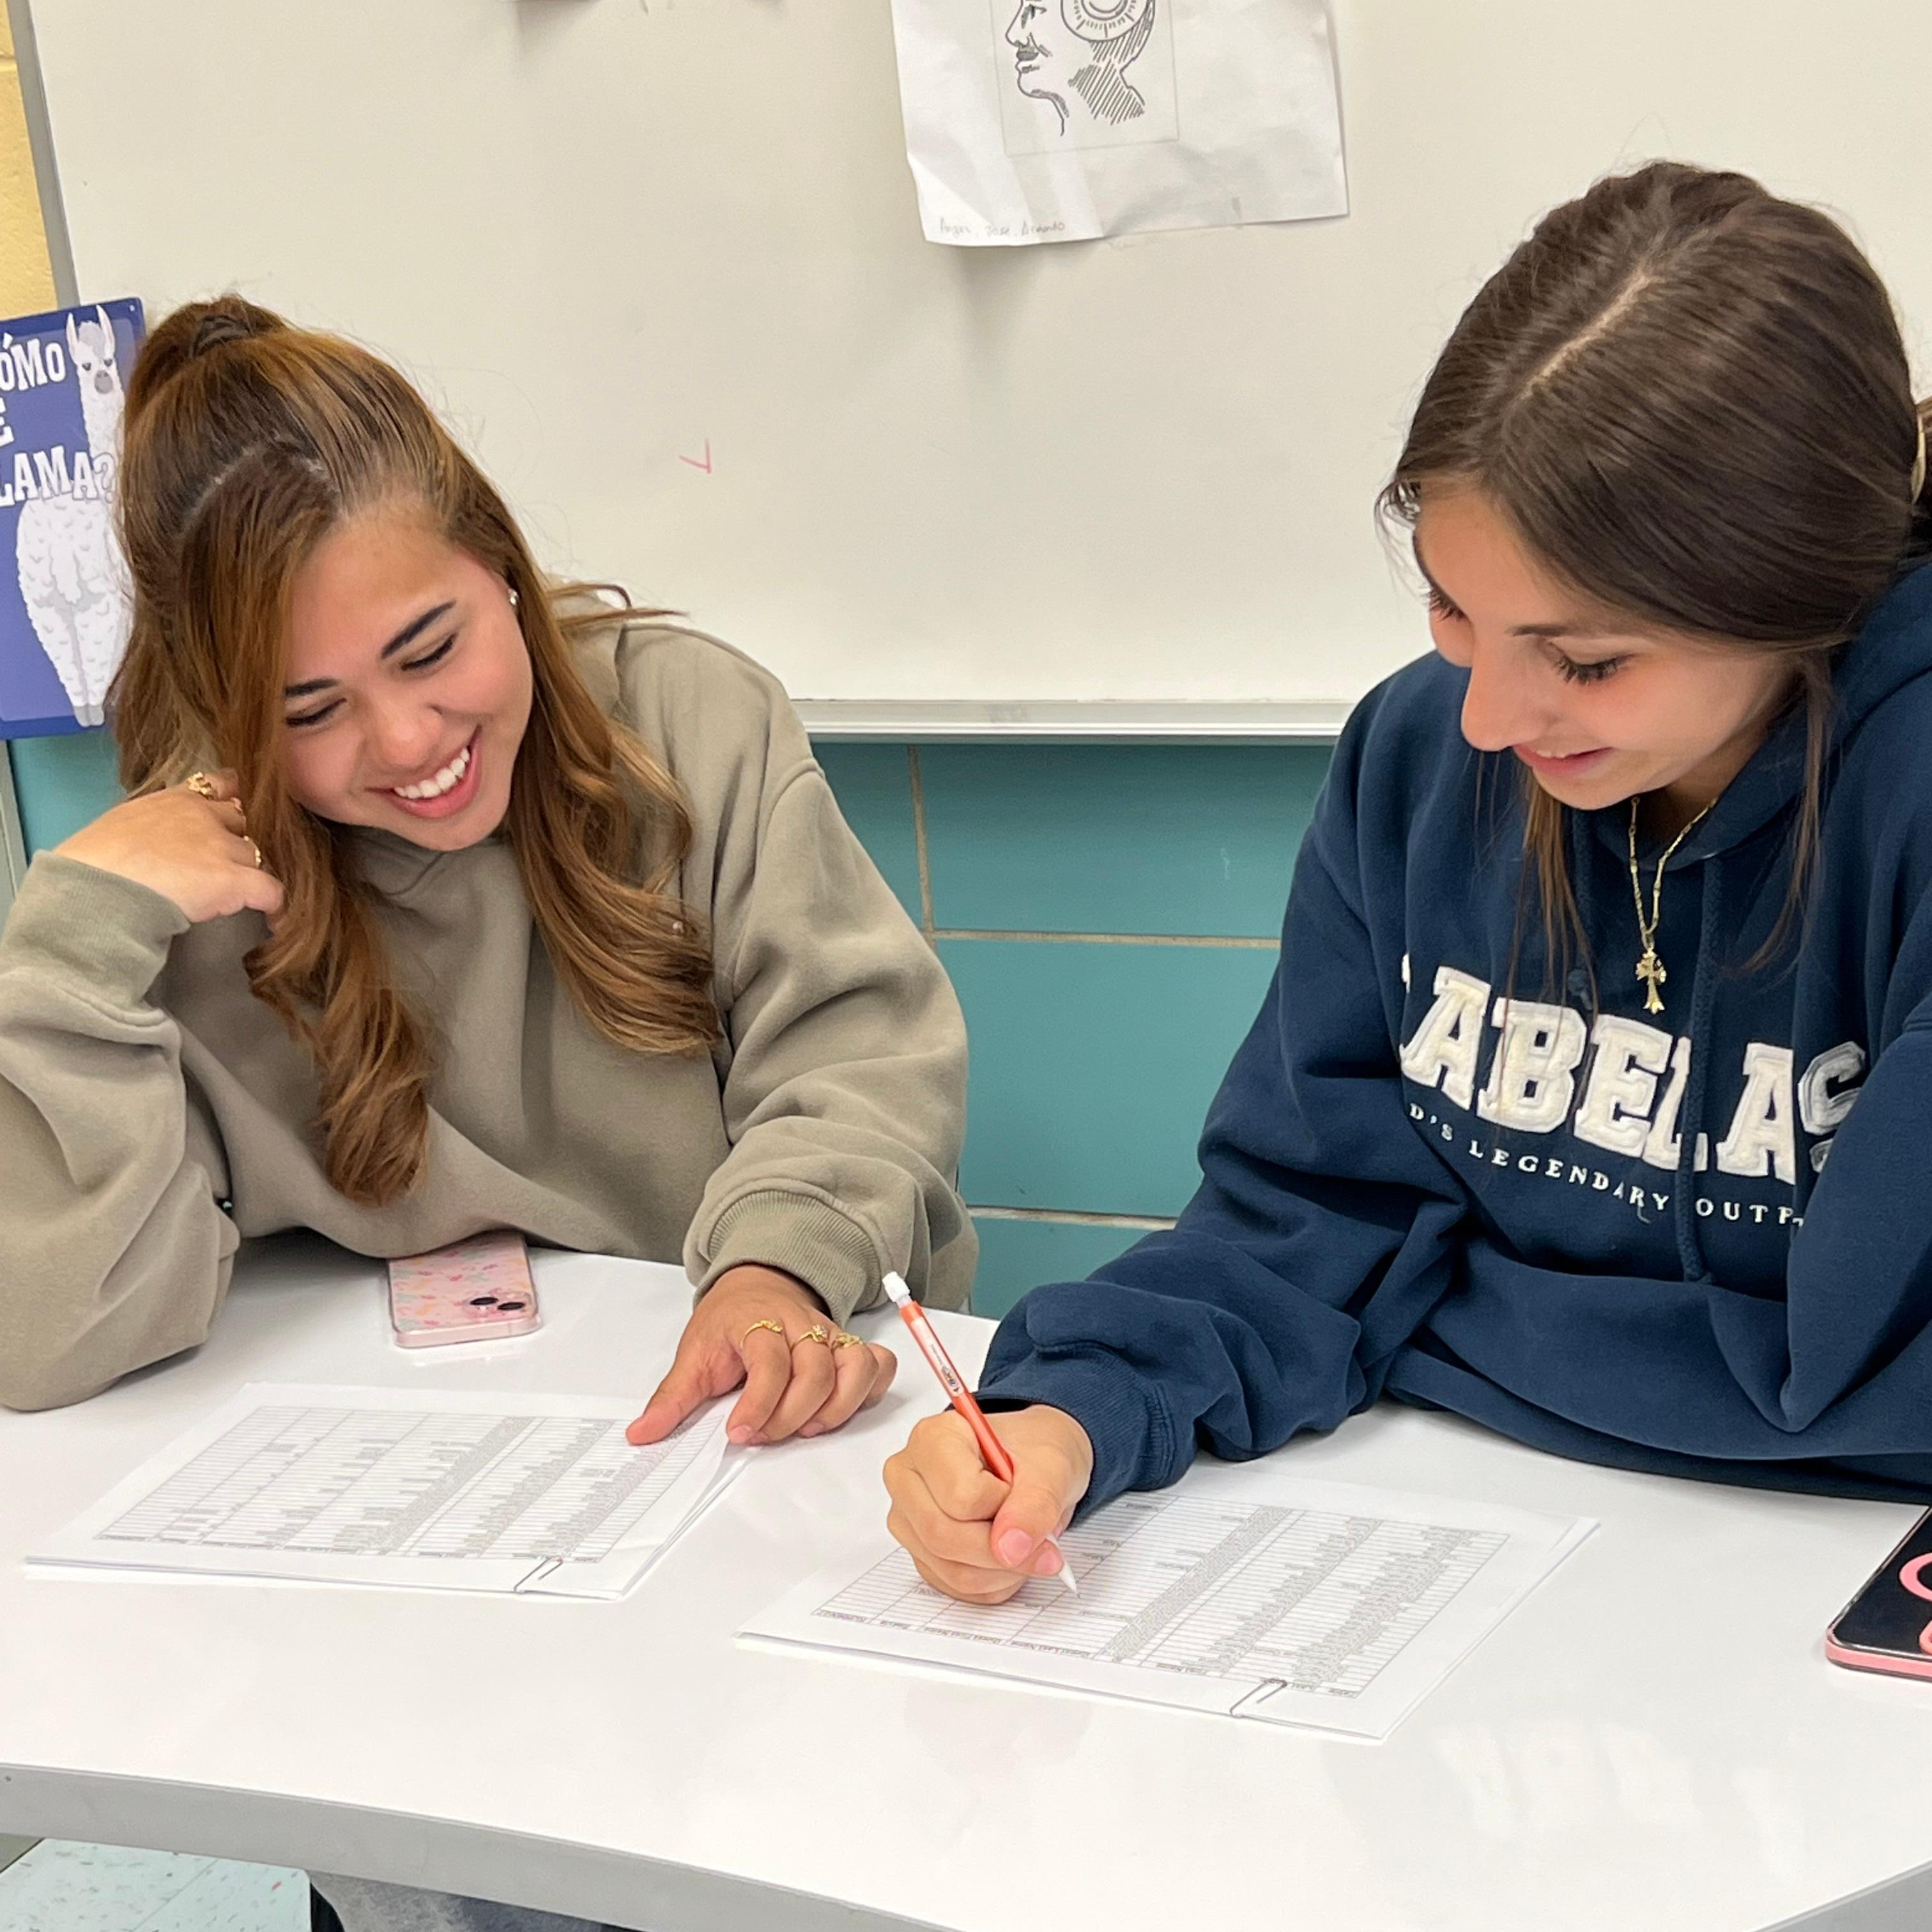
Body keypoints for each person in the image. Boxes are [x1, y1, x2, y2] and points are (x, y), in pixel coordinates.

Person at [0, 296, 974, 1931]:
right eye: (306, 712)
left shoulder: (690, 724)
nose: (407, 745)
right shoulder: (183, 881)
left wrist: (774, 1269)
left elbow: (859, 1062)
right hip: (397, 1599)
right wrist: (69, 936)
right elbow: (54, 1330)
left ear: (504, 574)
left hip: (721, 1520)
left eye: (432, 648)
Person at [885, 160, 1932, 1606]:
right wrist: (1071, 1414)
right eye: (1451, 604)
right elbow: (1312, 1224)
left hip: (1843, 1568)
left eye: (1585, 658)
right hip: (1467, 1515)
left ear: (1806, 600)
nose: (1490, 718)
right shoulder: (1416, 755)